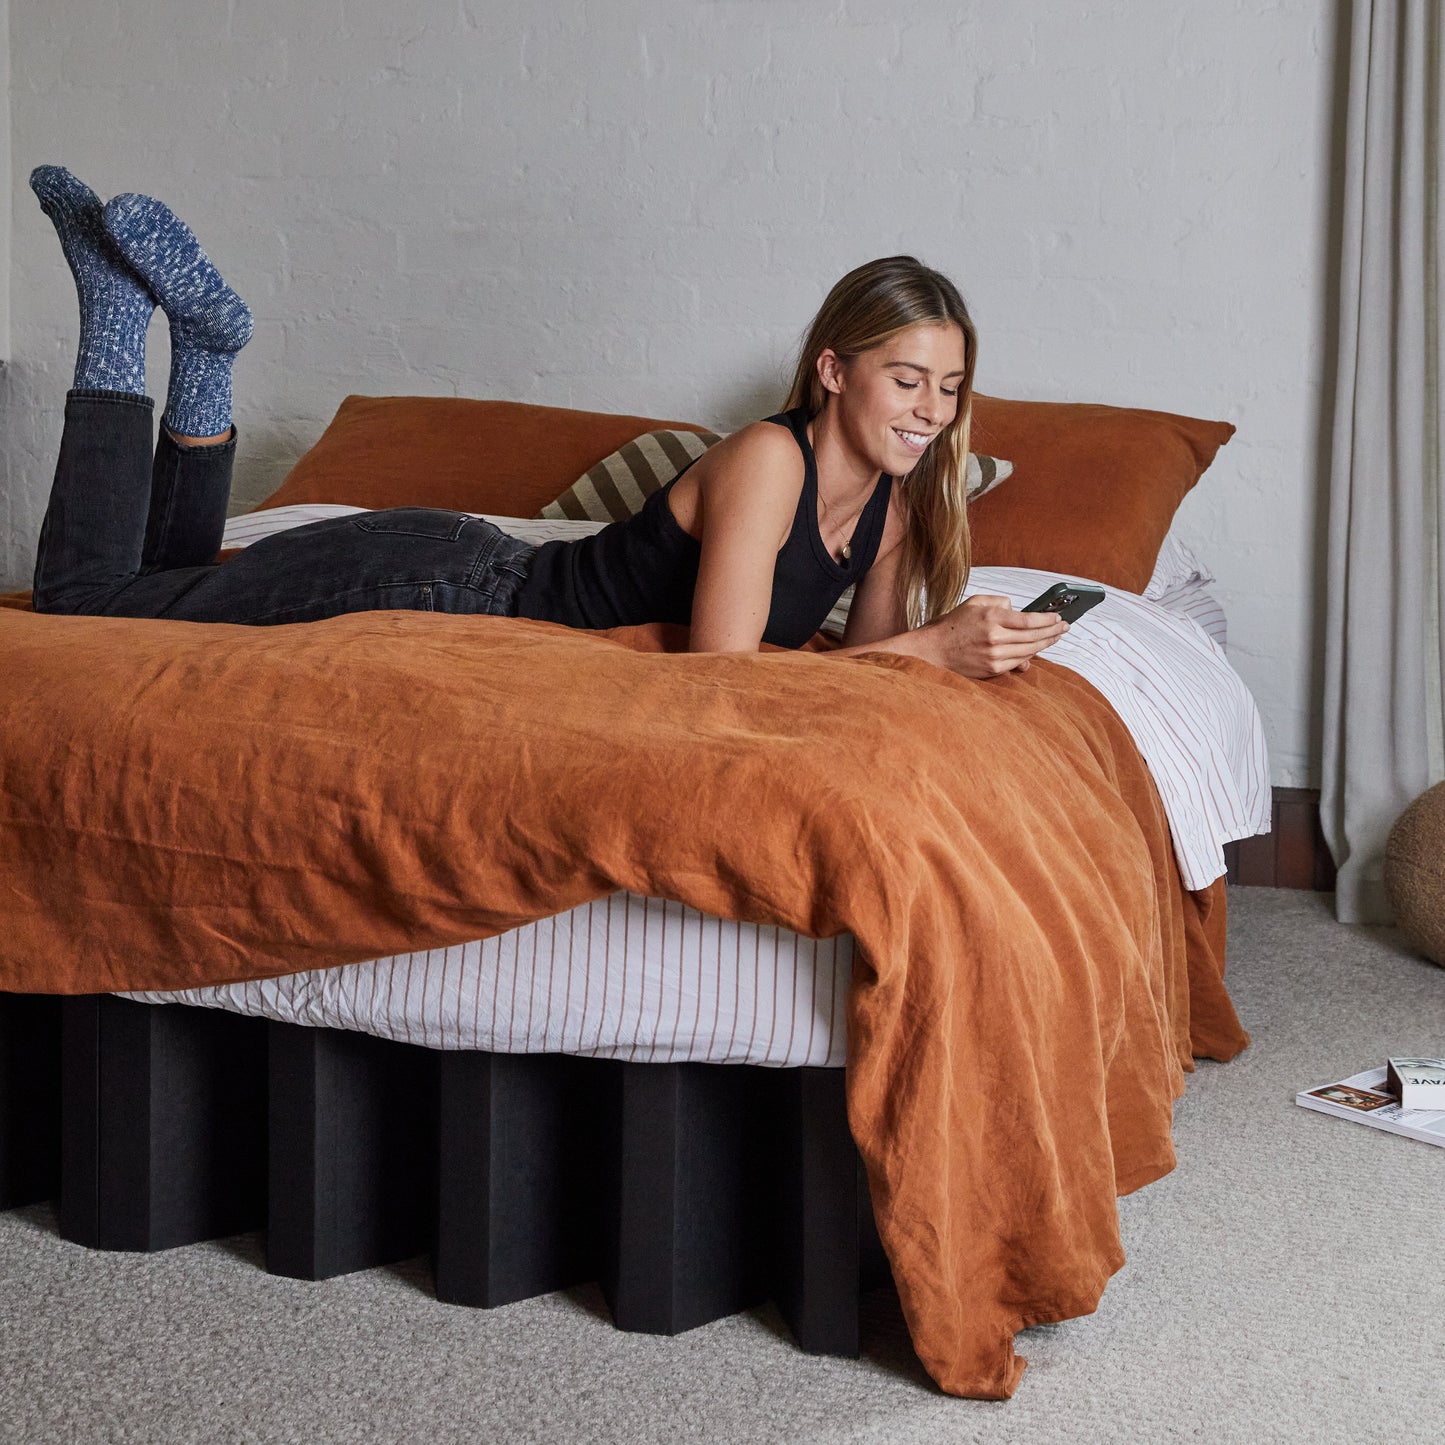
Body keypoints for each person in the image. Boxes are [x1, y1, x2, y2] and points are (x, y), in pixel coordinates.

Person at [28, 166, 1066, 679]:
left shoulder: (890, 512)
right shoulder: (767, 457)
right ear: (834, 371)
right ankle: (127, 324)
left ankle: (197, 357)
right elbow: (722, 674)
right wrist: (933, 650)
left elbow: (855, 687)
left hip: (461, 590)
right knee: (84, 612)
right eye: (906, 379)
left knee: (147, 603)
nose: (930, 411)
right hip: (440, 582)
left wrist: (952, 645)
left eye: (950, 388)